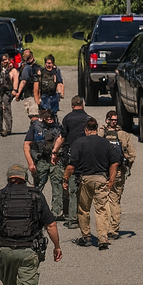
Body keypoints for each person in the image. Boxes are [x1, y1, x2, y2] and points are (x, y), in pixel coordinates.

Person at [62, 117, 122, 251]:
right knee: (101, 209)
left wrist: (65, 180)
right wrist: (111, 180)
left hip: (85, 180)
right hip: (101, 179)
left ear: (86, 130)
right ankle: (102, 239)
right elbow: (115, 162)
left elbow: (71, 166)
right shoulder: (106, 143)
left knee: (84, 209)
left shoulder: (79, 143)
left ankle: (86, 236)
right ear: (96, 129)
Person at [97, 110, 136, 239]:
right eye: (113, 120)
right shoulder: (123, 135)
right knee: (115, 200)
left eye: (115, 120)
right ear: (109, 120)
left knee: (105, 200)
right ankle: (114, 229)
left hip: (104, 171)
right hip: (118, 172)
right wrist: (127, 166)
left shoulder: (101, 134)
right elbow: (132, 155)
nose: (114, 122)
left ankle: (108, 228)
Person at [54, 95, 90, 229]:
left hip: (71, 155)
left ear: (72, 105)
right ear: (83, 105)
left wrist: (54, 152)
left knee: (72, 187)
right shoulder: (88, 118)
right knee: (86, 187)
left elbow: (62, 137)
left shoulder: (68, 118)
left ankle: (72, 218)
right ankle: (84, 216)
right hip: (86, 155)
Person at [24, 109, 66, 219]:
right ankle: (33, 211)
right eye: (48, 117)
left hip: (55, 160)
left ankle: (56, 213)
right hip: (41, 160)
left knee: (57, 186)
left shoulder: (58, 127)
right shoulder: (35, 127)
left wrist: (55, 152)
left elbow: (62, 139)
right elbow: (27, 145)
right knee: (38, 187)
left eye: (52, 117)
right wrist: (30, 163)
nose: (50, 119)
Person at [0, 54, 19, 136]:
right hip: (1, 91)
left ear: (9, 60)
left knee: (6, 109)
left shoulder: (13, 70)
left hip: (8, 91)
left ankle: (8, 129)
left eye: (5, 60)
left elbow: (16, 79)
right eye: (2, 60)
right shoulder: (2, 69)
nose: (3, 62)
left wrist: (15, 90)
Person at [15, 48, 41, 119]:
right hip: (40, 96)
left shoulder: (26, 68)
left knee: (34, 116)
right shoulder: (39, 67)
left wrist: (18, 94)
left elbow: (23, 81)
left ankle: (36, 129)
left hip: (31, 96)